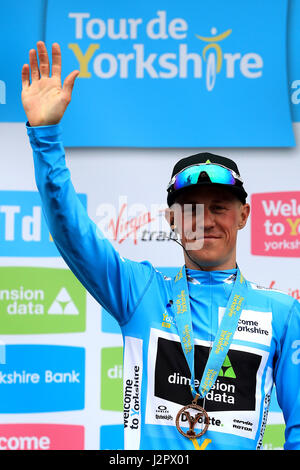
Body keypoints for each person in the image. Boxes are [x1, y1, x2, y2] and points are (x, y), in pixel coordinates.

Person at [21, 41, 300, 451]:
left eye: (220, 207)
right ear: (171, 221)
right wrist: (45, 138)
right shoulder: (141, 291)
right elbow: (70, 231)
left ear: (244, 215)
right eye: (190, 209)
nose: (205, 220)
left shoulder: (281, 312)